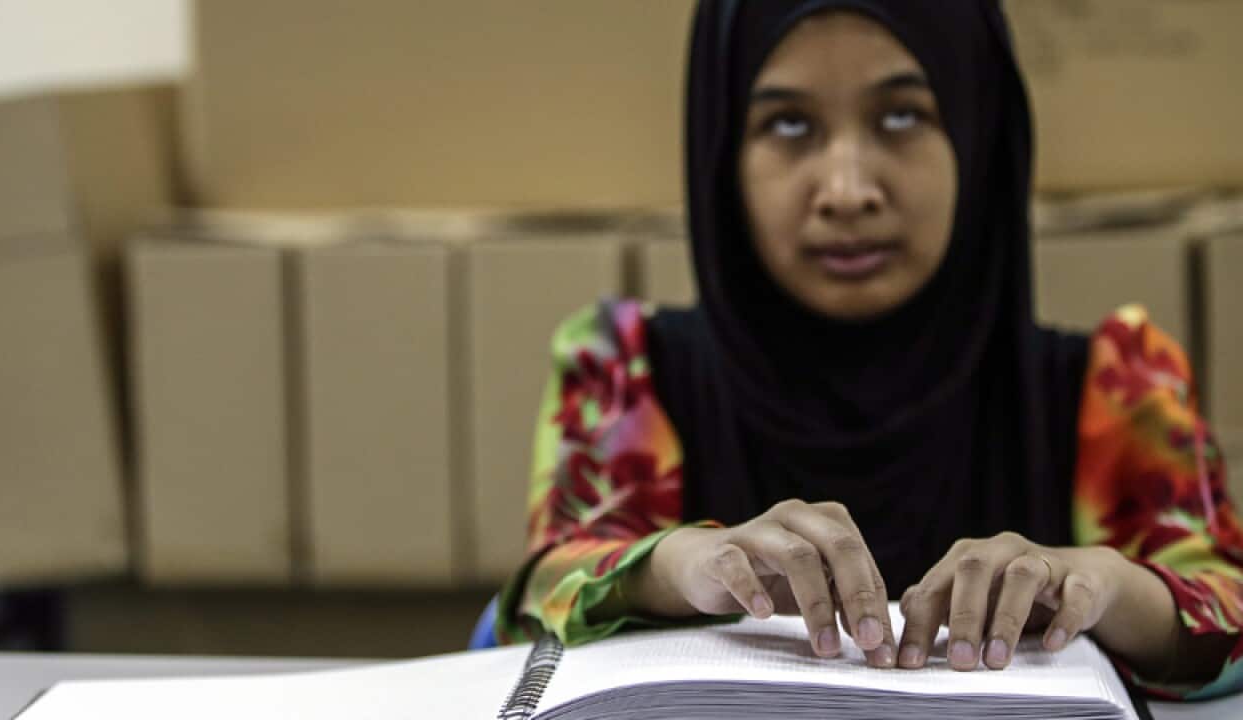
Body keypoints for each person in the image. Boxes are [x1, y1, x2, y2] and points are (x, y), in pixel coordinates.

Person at [495, 0, 1243, 700]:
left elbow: (1227, 610)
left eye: (902, 115)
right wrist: (673, 568)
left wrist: (1105, 584)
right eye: (788, 126)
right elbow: (533, 605)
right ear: (722, 152)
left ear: (978, 135)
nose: (847, 189)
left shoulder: (1114, 385)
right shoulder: (628, 369)